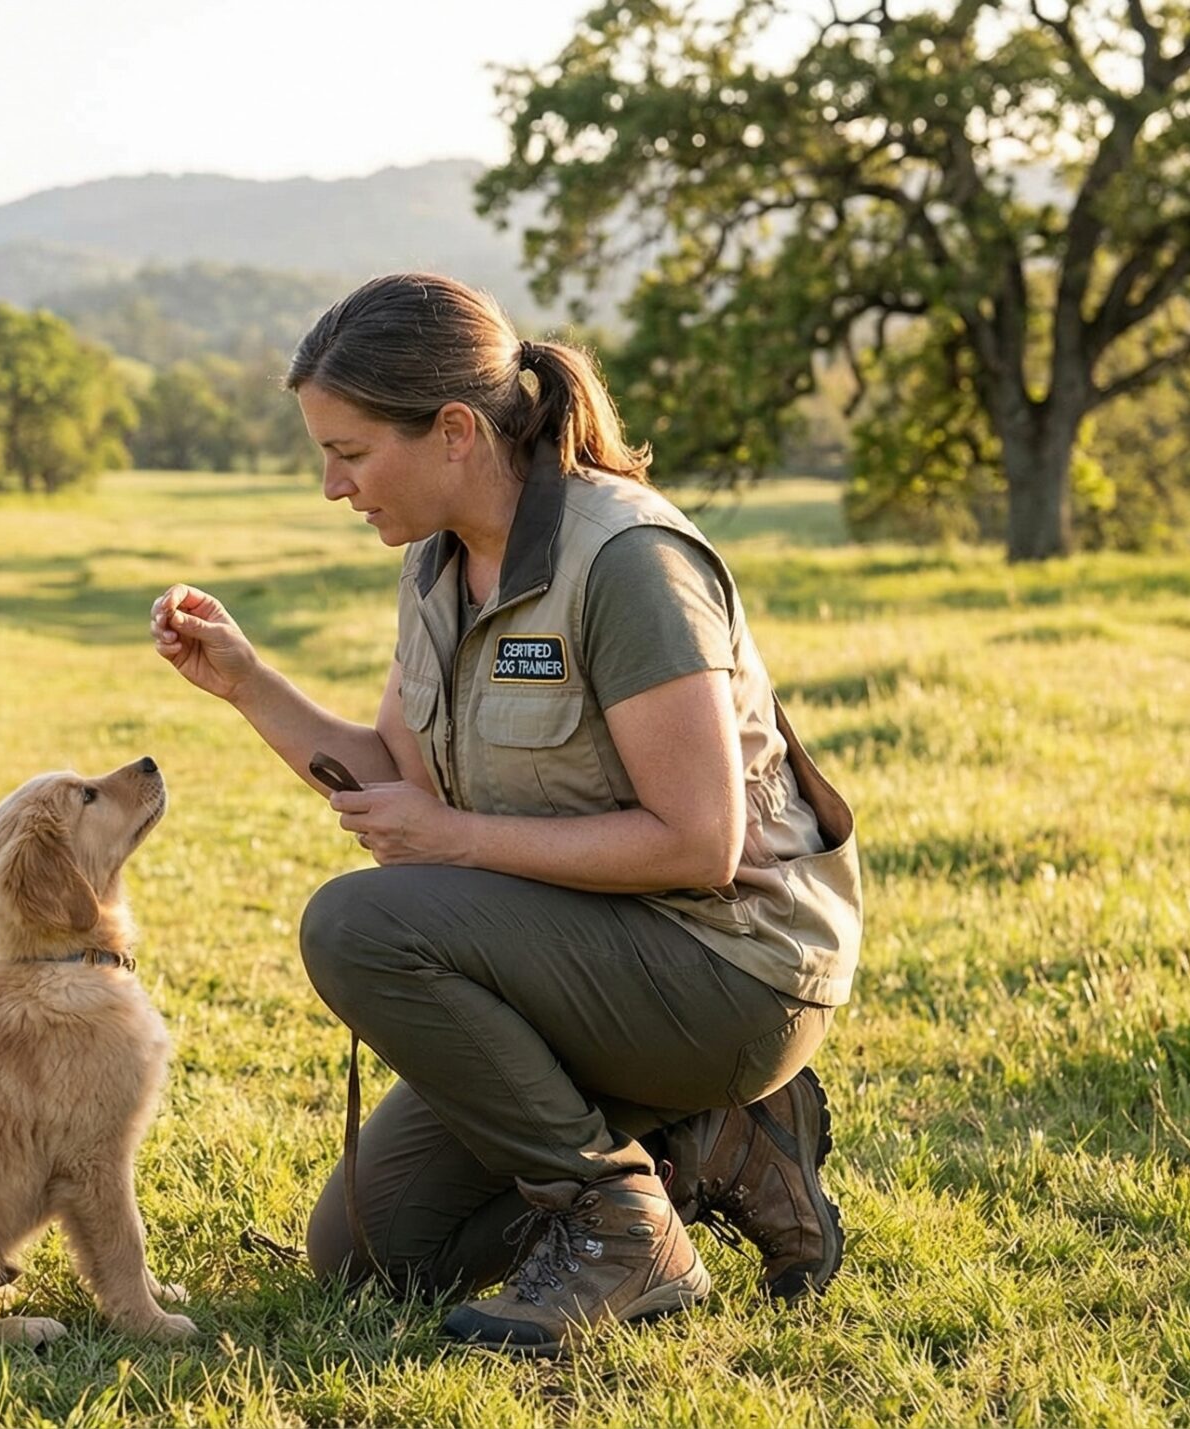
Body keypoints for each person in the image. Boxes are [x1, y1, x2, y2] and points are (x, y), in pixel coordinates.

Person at [148, 273, 862, 1354]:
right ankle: (703, 1150)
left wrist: (458, 843)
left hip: (730, 971)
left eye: (347, 452)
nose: (332, 487)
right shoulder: (436, 558)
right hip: (591, 966)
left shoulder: (626, 561)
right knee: (376, 1254)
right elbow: (396, 773)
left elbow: (697, 841)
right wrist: (247, 682)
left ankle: (620, 1225)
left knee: (355, 923)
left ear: (450, 431)